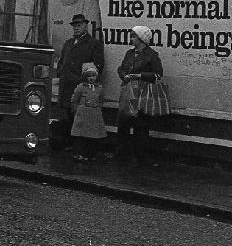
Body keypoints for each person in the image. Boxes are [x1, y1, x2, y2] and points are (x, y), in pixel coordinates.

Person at [55, 13, 104, 148]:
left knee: (80, 117)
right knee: (68, 115)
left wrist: (86, 82)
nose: (76, 28)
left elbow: (98, 66)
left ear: (86, 26)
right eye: (74, 25)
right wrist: (60, 72)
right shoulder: (68, 43)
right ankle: (71, 143)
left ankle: (80, 146)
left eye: (79, 25)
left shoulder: (93, 44)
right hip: (66, 85)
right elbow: (61, 60)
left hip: (80, 87)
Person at [116, 25, 163, 164]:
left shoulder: (152, 55)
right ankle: (122, 153)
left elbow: (158, 74)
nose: (131, 38)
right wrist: (123, 76)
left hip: (142, 94)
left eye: (133, 36)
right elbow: (121, 68)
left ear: (142, 38)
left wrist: (139, 75)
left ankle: (140, 155)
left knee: (141, 126)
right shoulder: (129, 53)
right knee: (123, 123)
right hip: (128, 92)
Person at [70, 62, 106, 161]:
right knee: (81, 136)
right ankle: (79, 153)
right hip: (82, 113)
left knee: (92, 136)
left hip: (94, 113)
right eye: (89, 76)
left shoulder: (99, 88)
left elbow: (102, 100)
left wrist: (98, 108)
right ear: (85, 77)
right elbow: (74, 100)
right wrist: (77, 110)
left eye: (93, 75)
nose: (91, 78)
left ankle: (90, 154)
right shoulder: (81, 87)